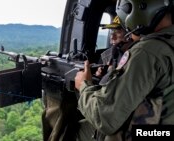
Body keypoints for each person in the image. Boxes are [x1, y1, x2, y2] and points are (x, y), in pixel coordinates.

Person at [75, 0, 174, 140]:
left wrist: (83, 85)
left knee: (70, 129)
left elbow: (105, 118)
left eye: (120, 29)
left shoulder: (146, 52)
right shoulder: (167, 44)